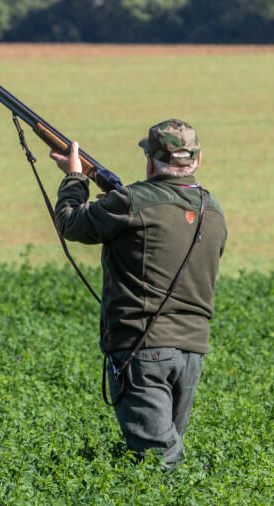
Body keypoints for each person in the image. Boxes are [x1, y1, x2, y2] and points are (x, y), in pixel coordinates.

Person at [49, 119, 226, 468]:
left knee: (160, 463)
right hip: (192, 353)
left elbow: (70, 222)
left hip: (144, 350)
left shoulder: (133, 202)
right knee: (161, 454)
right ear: (197, 161)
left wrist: (74, 177)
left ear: (150, 161)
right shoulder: (213, 211)